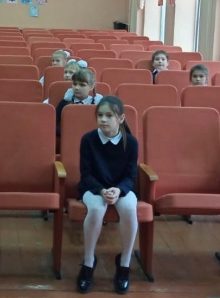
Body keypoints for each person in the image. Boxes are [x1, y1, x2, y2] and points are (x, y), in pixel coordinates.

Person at [76, 96, 138, 294]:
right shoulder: (88, 140)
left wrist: (119, 190)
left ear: (120, 118)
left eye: (109, 115)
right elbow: (86, 174)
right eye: (100, 115)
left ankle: (124, 264)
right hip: (94, 187)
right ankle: (88, 262)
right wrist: (102, 191)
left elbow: (131, 175)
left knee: (129, 208)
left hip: (121, 188)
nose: (103, 119)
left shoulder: (131, 142)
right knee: (96, 209)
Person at [56, 69, 103, 136]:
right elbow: (54, 122)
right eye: (74, 84)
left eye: (82, 85)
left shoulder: (95, 103)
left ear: (91, 87)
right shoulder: (66, 102)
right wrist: (64, 132)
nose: (77, 88)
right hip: (69, 137)